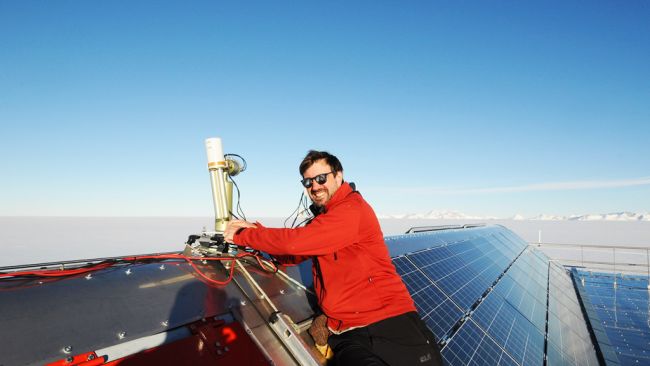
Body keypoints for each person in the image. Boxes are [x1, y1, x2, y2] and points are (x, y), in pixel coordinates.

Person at [224, 150, 442, 366]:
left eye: (321, 178)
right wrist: (257, 235)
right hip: (346, 332)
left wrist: (245, 235)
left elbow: (297, 241)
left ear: (338, 176)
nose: (315, 186)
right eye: (308, 182)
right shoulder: (326, 220)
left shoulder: (352, 209)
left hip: (389, 324)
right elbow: (293, 253)